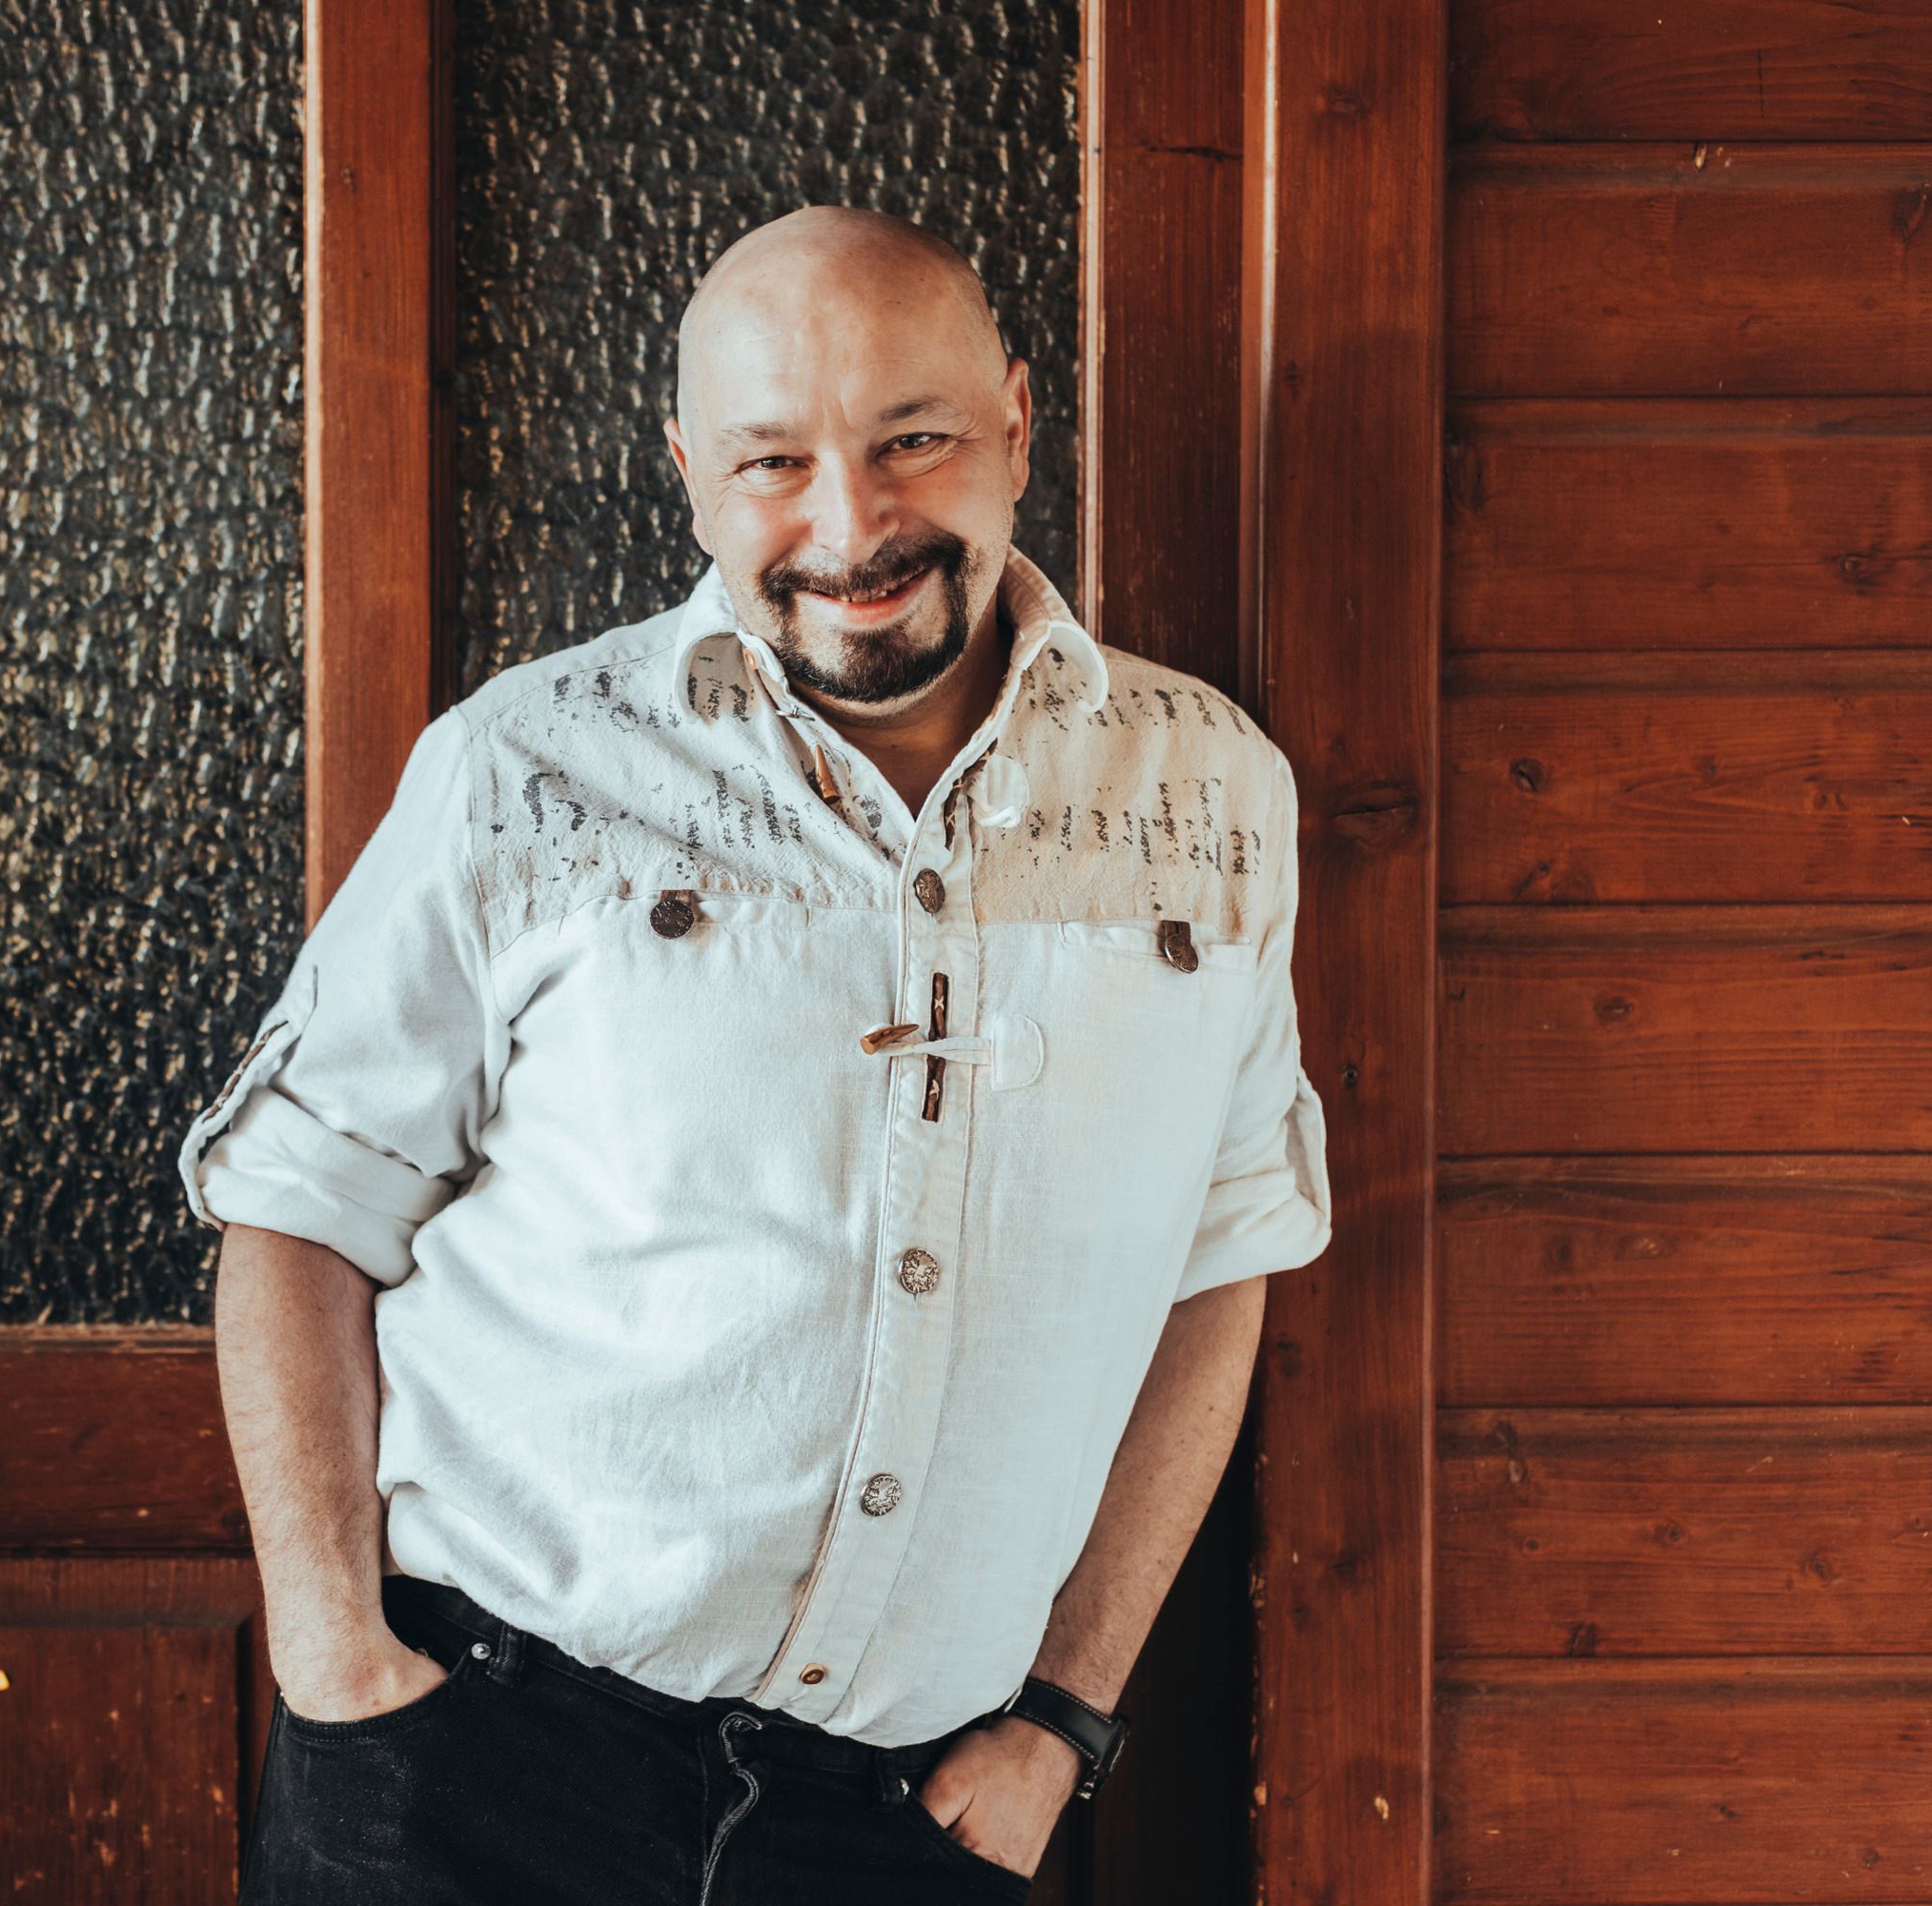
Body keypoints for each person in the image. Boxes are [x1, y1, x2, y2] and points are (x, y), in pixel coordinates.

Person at [183, 204, 1333, 1904]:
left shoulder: (1212, 798)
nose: (851, 525)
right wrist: (339, 1673)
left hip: (910, 1822)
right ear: (689, 472)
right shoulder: (526, 770)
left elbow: (1221, 1258)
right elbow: (296, 1209)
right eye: (773, 462)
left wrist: (1064, 1724)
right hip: (475, 1775)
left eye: (912, 441)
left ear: (1019, 418)